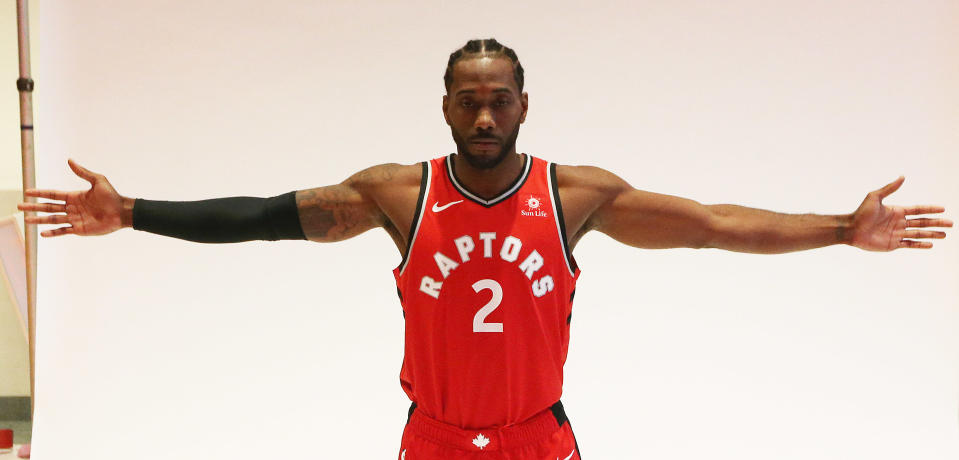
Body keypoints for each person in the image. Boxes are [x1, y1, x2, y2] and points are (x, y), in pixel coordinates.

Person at [17, 38, 951, 460]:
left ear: (523, 105)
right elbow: (265, 214)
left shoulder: (573, 195)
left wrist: (838, 228)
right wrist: (131, 209)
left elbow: (711, 224)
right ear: (445, 105)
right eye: (467, 96)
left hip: (537, 442)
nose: (484, 112)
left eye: (499, 95)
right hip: (432, 442)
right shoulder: (398, 193)